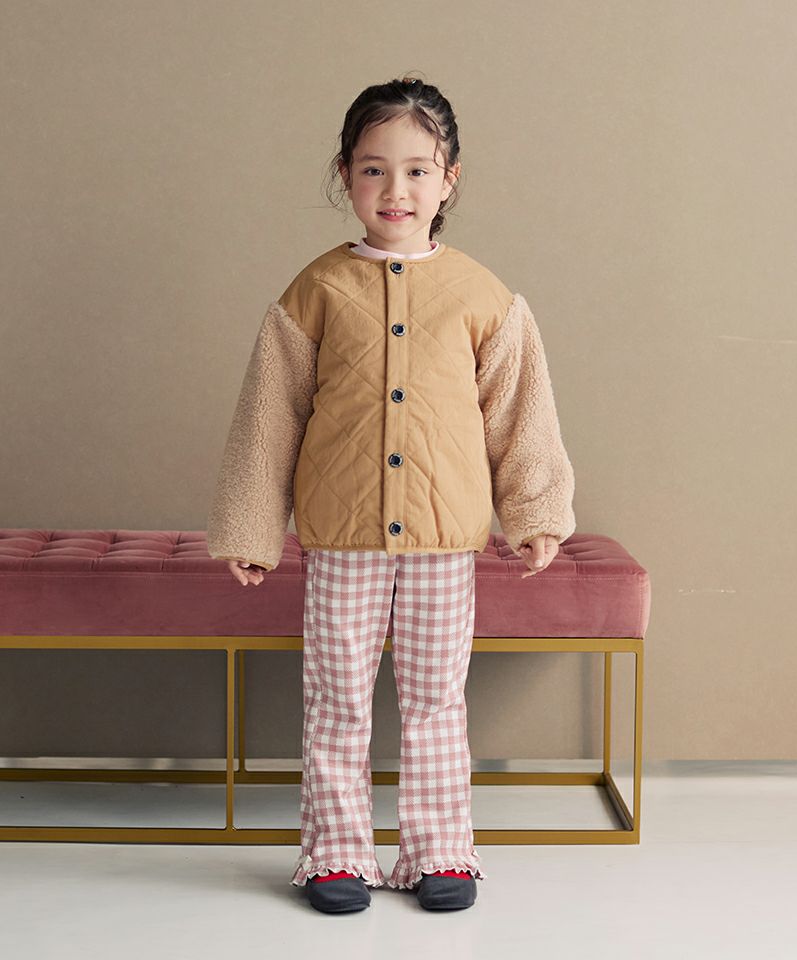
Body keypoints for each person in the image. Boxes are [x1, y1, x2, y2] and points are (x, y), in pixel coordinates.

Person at [206, 75, 576, 914]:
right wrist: (251, 528)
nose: (395, 189)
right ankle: (335, 852)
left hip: (446, 537)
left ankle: (440, 849)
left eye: (417, 170)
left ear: (449, 180)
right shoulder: (315, 290)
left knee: (437, 696)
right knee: (336, 695)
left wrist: (535, 514)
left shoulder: (484, 295)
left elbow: (520, 413)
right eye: (374, 169)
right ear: (345, 175)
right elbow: (269, 414)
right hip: (342, 533)